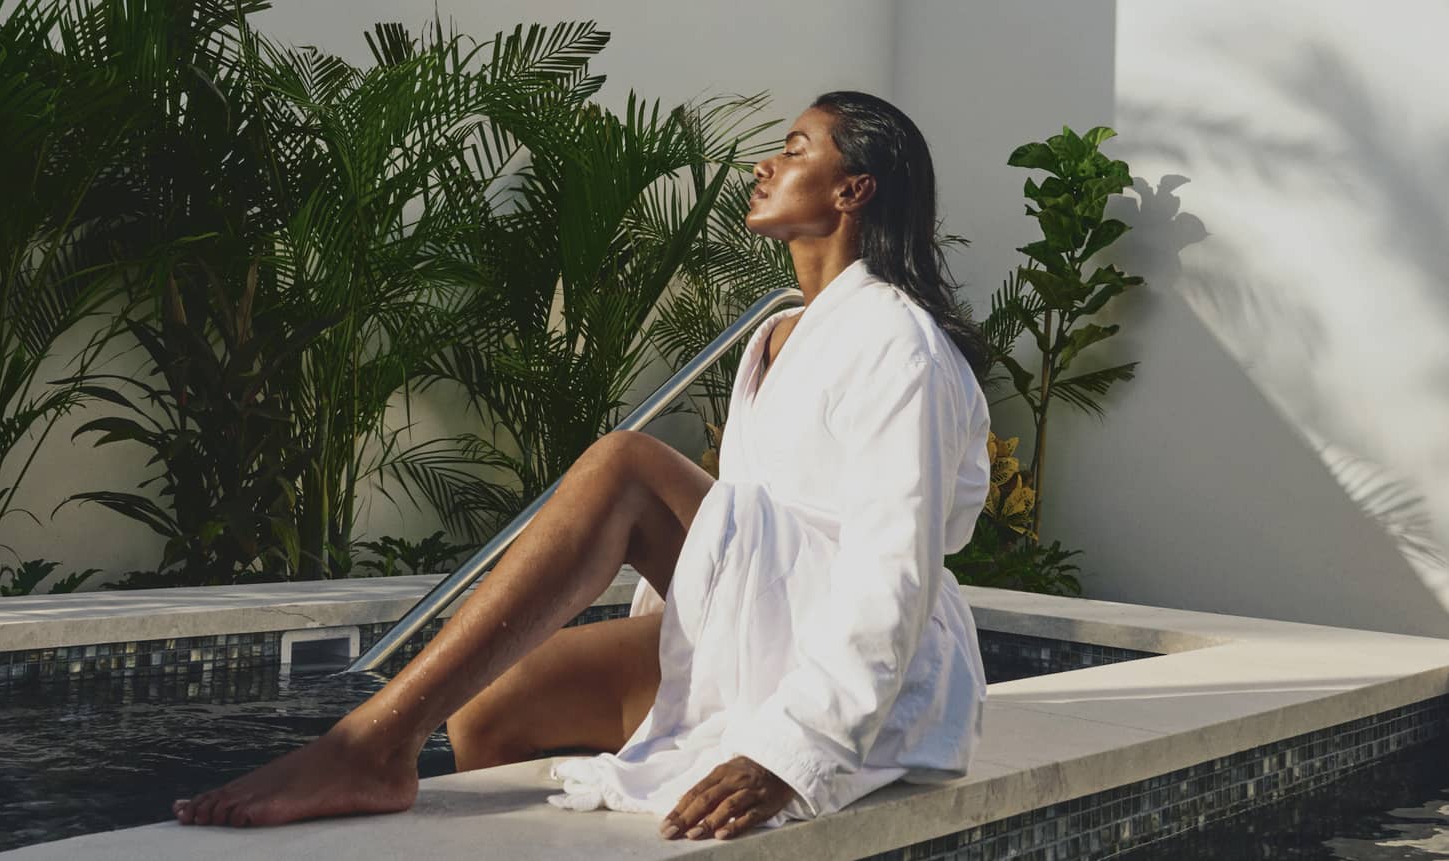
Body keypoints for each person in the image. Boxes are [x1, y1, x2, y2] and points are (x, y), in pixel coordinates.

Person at [172, 89, 992, 843]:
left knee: (624, 467)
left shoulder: (897, 341)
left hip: (864, 671)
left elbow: (896, 563)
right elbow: (750, 535)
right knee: (489, 712)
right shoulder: (778, 335)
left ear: (853, 191)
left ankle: (368, 743)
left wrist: (799, 746)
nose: (763, 165)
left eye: (795, 147)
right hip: (764, 628)